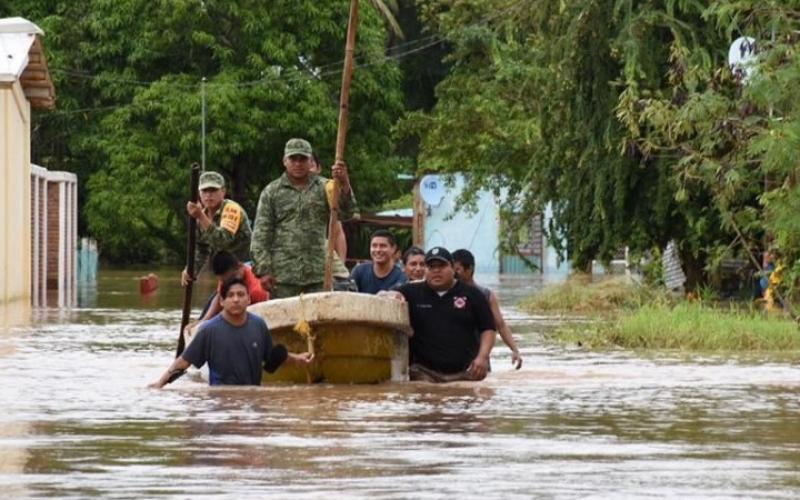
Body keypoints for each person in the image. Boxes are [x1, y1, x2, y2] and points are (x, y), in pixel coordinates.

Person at [149, 277, 313, 388]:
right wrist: (160, 384)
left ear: (249, 299)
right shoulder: (209, 330)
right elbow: (183, 362)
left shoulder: (258, 325)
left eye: (241, 295)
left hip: (251, 396)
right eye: (231, 295)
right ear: (222, 301)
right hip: (221, 398)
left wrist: (297, 358)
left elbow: (271, 356)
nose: (236, 299)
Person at [250, 138, 357, 298]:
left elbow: (346, 214)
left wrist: (344, 183)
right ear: (285, 161)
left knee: (319, 320)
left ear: (310, 161)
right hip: (283, 276)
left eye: (303, 159)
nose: (298, 164)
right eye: (293, 159)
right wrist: (263, 270)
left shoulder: (326, 187)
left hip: (318, 275)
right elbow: (261, 235)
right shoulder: (271, 192)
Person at [380, 247, 495, 382]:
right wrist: (393, 295)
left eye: (441, 266)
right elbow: (382, 295)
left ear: (453, 268)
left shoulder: (473, 294)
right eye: (431, 266)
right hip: (423, 372)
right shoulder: (411, 292)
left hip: (465, 372)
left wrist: (482, 357)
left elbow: (488, 329)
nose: (436, 270)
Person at [452, 249, 523, 370]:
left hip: (480, 357)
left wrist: (515, 350)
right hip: (453, 357)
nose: (453, 273)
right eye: (452, 269)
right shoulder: (447, 294)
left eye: (457, 269)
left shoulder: (485, 295)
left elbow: (500, 325)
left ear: (469, 269)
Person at [181, 171, 252, 287]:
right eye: (204, 191)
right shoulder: (201, 217)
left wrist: (200, 216)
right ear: (199, 193)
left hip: (248, 267)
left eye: (213, 190)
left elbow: (222, 241)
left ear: (223, 191)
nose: (208, 195)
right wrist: (190, 270)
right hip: (228, 271)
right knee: (214, 303)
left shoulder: (231, 209)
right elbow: (201, 249)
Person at [195, 251, 269, 323]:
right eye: (224, 281)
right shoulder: (226, 279)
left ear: (239, 268)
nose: (228, 284)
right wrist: (204, 321)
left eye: (230, 279)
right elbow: (219, 296)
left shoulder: (256, 291)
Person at [351, 230, 408, 294]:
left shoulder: (400, 276)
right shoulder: (359, 271)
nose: (378, 250)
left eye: (383, 246)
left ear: (393, 249)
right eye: (374, 246)